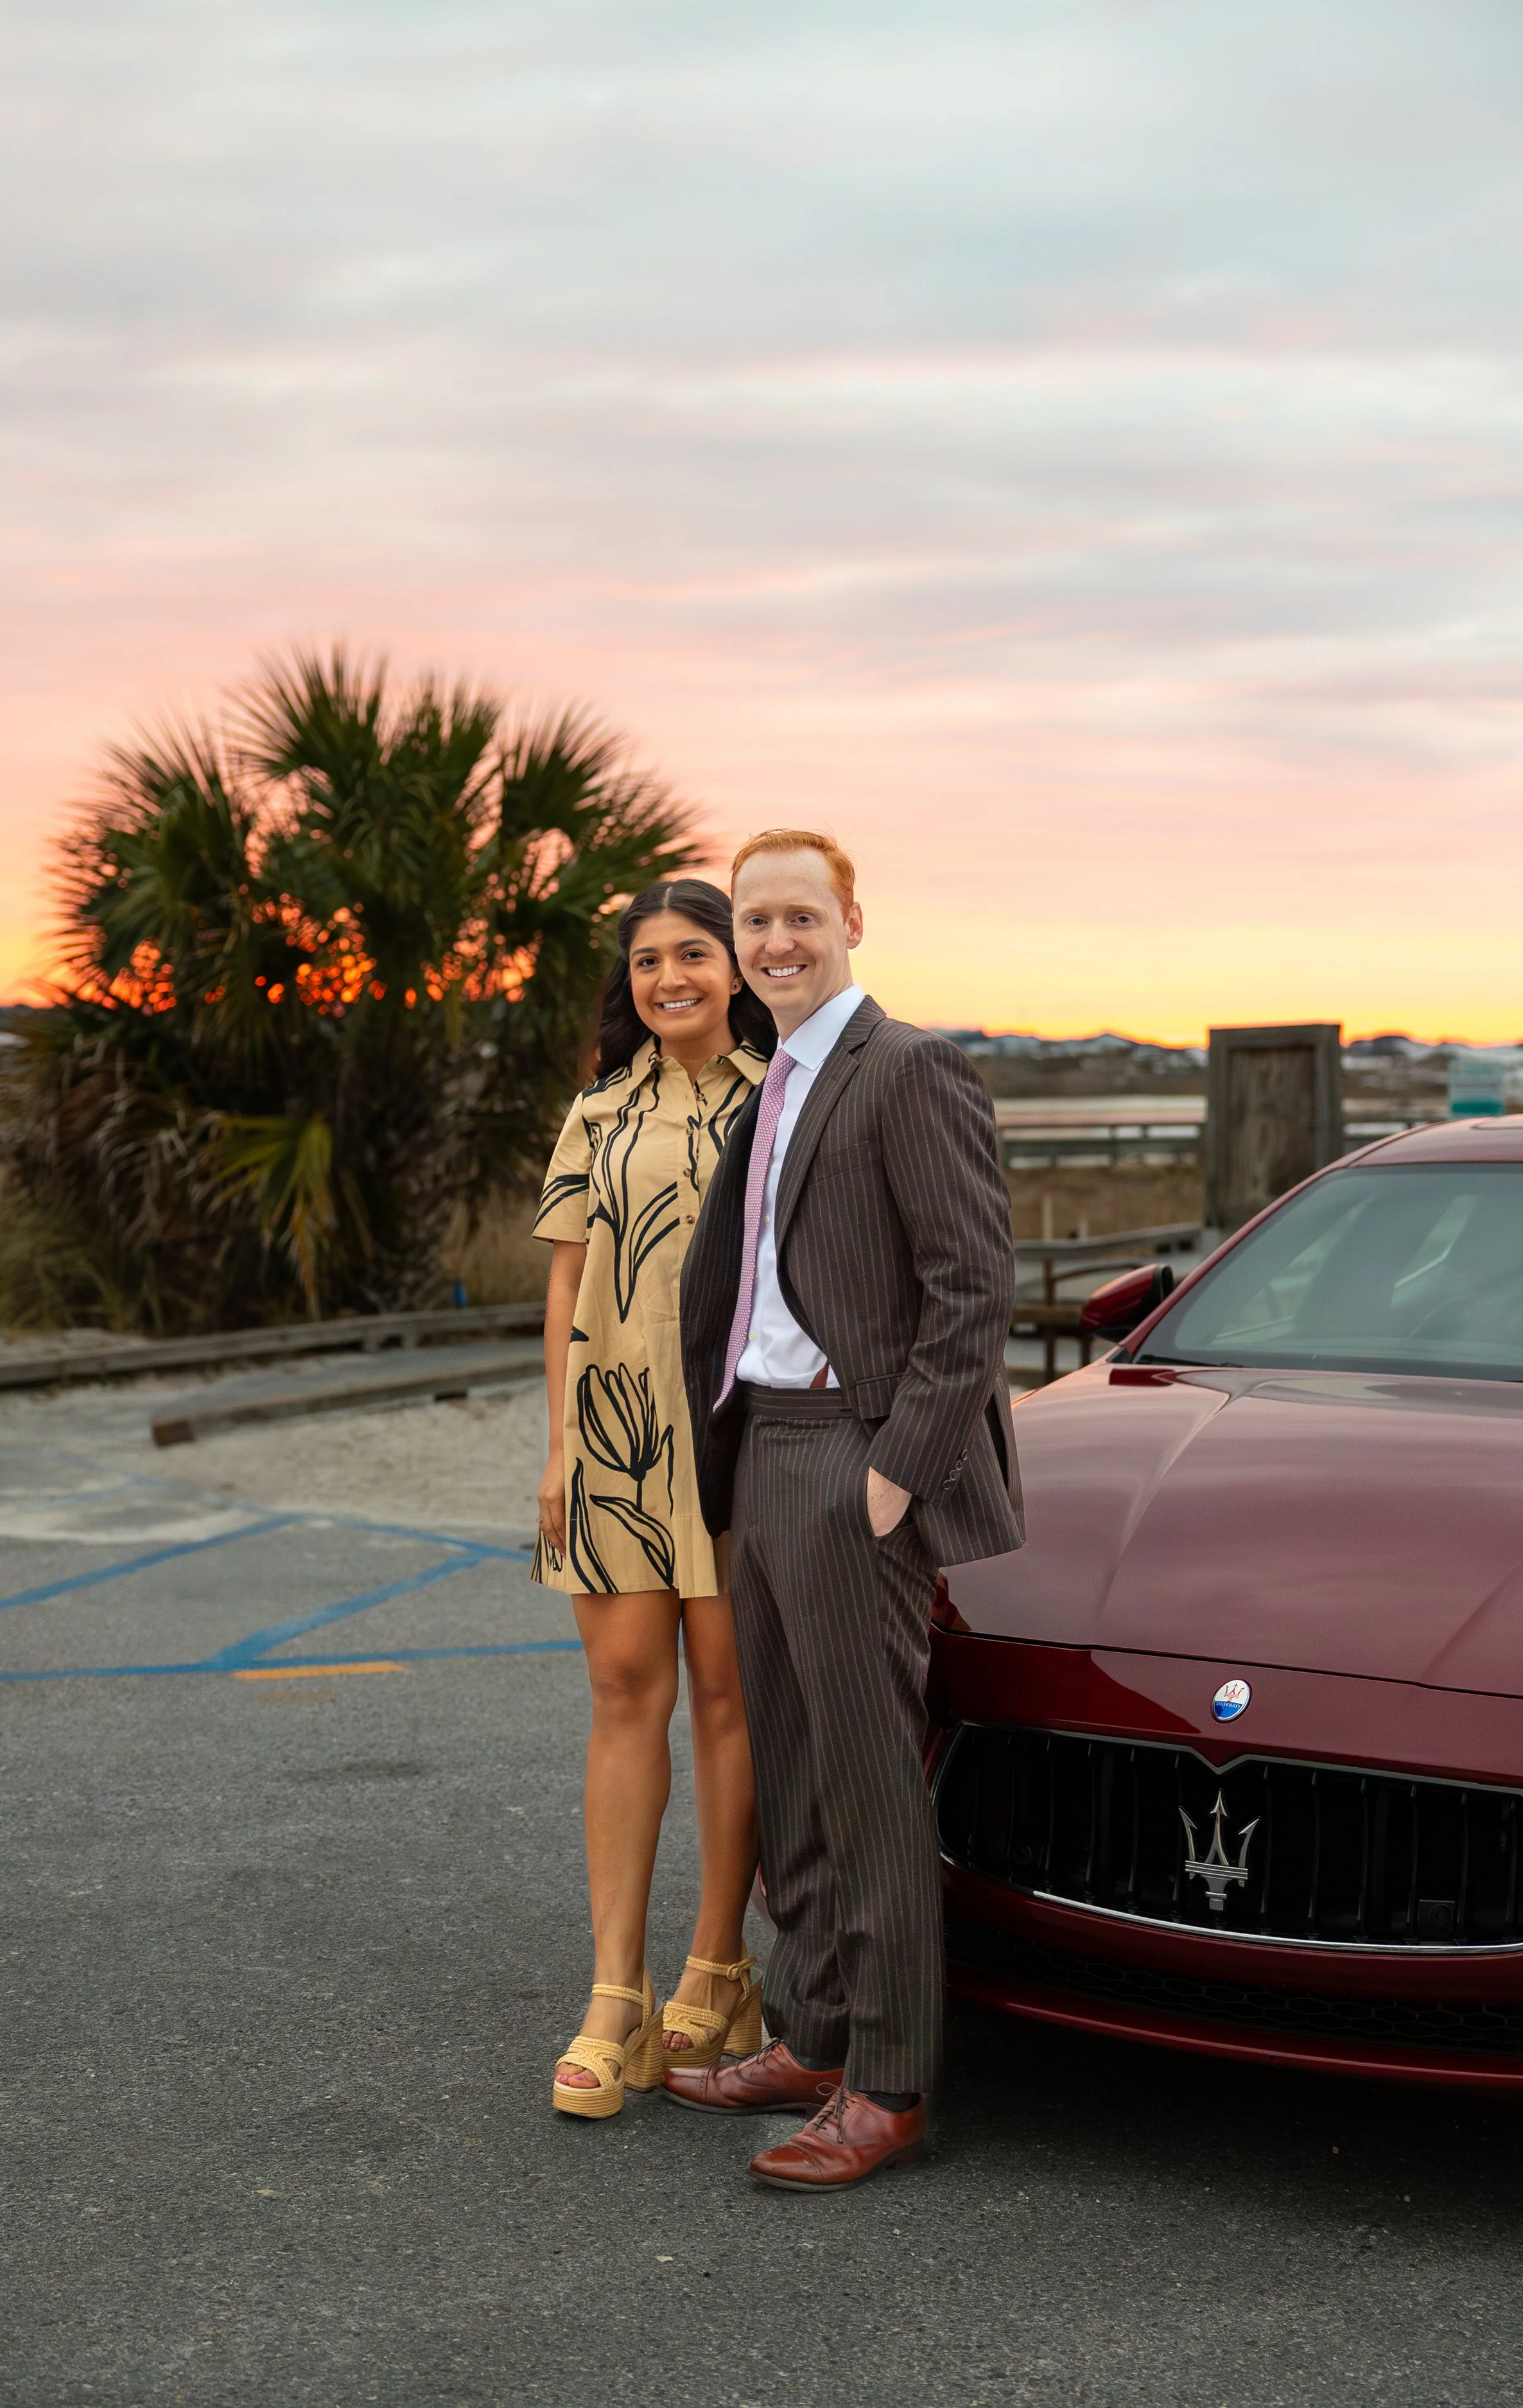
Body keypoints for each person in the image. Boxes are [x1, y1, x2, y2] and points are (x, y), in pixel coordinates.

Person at [668, 830, 1023, 2190]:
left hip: (848, 1462)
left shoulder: (906, 1067)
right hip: (759, 1448)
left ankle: (887, 2081)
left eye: (798, 916)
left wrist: (894, 1474)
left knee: (870, 1782)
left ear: (850, 920)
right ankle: (811, 2030)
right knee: (792, 1769)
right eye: (753, 920)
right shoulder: (777, 1081)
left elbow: (969, 1291)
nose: (774, 941)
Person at [533, 878, 774, 2120]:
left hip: (739, 1440)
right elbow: (566, 1290)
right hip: (618, 1445)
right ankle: (614, 1997)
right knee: (626, 1694)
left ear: (737, 967)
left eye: (693, 953)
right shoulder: (596, 1113)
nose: (668, 976)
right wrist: (564, 1445)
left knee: (730, 1700)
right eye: (646, 960)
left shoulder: (784, 1103)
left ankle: (718, 1967)